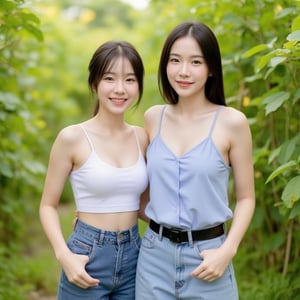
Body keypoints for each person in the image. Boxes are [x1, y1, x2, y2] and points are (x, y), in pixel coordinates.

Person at [136, 21, 255, 299]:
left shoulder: (232, 122)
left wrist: (227, 250)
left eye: (195, 62)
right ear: (165, 65)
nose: (183, 71)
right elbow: (139, 190)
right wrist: (98, 209)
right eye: (175, 60)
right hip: (154, 258)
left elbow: (247, 198)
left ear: (211, 68)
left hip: (209, 256)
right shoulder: (153, 118)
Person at [39, 40, 148, 300]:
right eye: (110, 78)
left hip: (135, 253)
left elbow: (145, 205)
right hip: (87, 254)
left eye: (130, 80)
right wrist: (64, 255)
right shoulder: (72, 138)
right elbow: (47, 205)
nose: (120, 89)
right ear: (95, 82)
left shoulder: (143, 138)